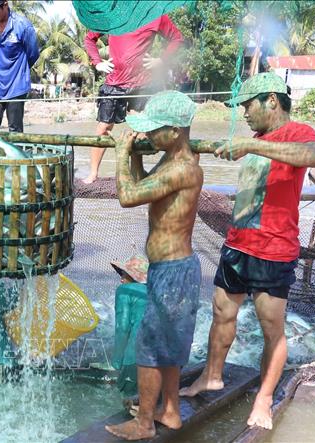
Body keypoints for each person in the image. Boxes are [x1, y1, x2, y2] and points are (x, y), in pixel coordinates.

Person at [180, 72, 315, 430]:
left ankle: (263, 399)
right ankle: (211, 376)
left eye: (247, 106)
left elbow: (313, 156)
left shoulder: (299, 133)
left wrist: (252, 147)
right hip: (238, 244)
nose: (244, 114)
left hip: (273, 251)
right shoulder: (259, 138)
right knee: (220, 313)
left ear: (271, 100)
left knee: (272, 327)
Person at [105, 90, 203, 440]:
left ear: (176, 131)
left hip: (173, 273)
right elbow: (143, 182)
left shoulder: (182, 169)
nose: (149, 136)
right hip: (172, 269)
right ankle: (171, 411)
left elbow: (128, 196)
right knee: (169, 345)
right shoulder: (171, 162)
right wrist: (134, 157)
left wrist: (118, 155)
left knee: (148, 346)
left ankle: (145, 422)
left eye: (154, 130)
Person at [82, 15, 184, 184]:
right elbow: (89, 39)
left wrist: (162, 60)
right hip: (114, 81)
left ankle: (136, 172)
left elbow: (177, 38)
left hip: (143, 82)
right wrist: (97, 62)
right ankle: (93, 173)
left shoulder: (155, 14)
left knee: (139, 127)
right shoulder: (112, 14)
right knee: (103, 127)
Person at [0, 0, 39, 133]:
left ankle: (16, 154)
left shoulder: (23, 26)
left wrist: (19, 70)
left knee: (15, 131)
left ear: (5, 5)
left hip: (17, 87)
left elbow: (33, 54)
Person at [110, 253, 149, 396]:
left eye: (124, 274)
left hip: (137, 355)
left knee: (127, 397)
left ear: (134, 277)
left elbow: (123, 327)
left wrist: (117, 361)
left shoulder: (125, 290)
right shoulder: (154, 291)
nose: (121, 279)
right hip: (164, 358)